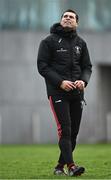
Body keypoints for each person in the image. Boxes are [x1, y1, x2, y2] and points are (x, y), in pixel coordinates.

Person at [37, 9, 92, 176]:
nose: (68, 19)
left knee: (73, 133)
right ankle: (72, 166)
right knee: (65, 130)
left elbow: (87, 67)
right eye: (65, 16)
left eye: (72, 17)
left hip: (77, 95)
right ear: (61, 20)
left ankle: (59, 167)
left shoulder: (81, 43)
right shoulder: (48, 42)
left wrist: (83, 81)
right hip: (58, 93)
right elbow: (42, 66)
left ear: (77, 23)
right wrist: (60, 82)